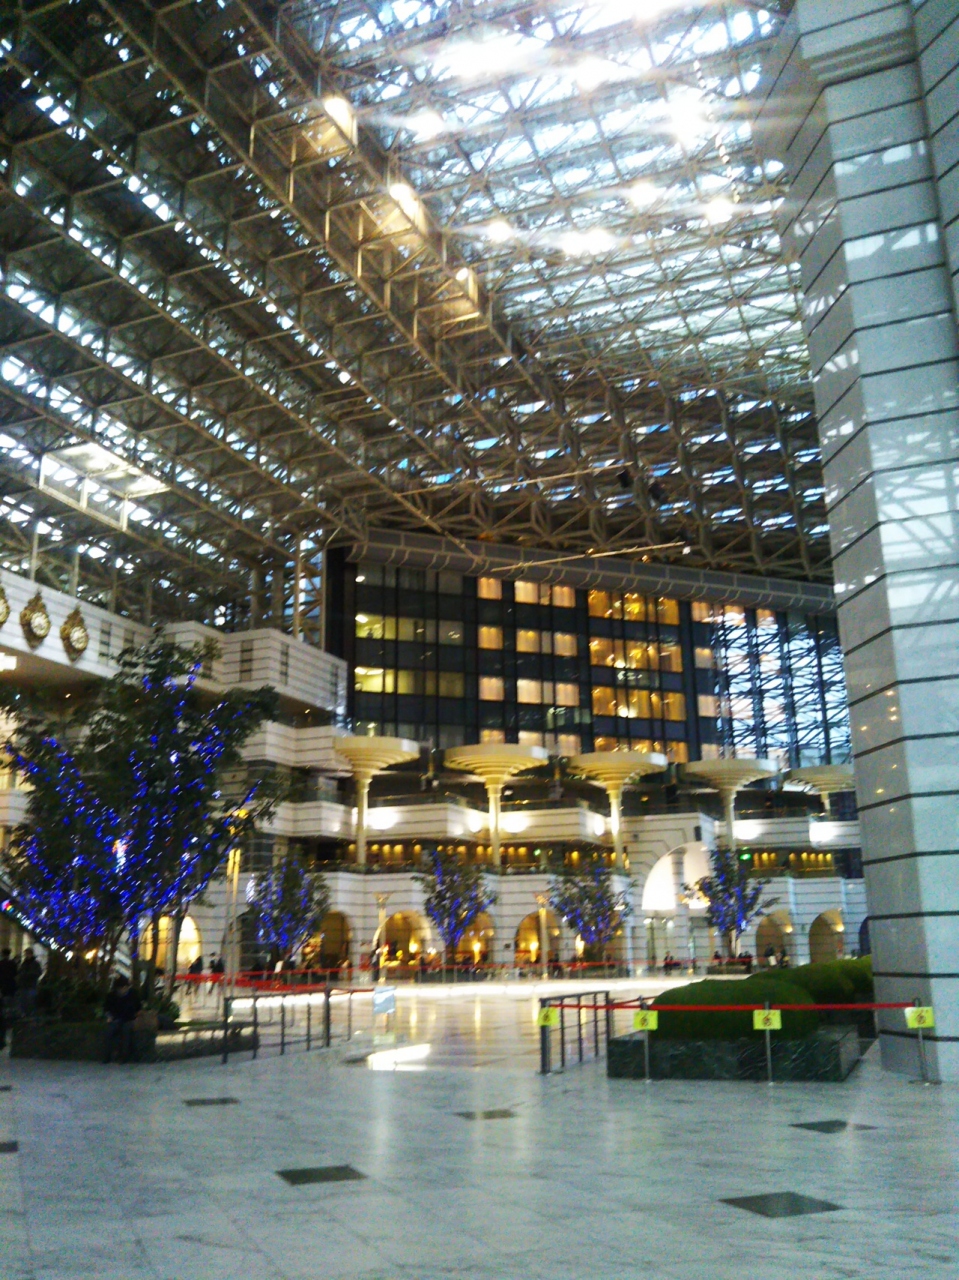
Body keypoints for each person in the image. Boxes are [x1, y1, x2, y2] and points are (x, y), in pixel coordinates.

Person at [103, 976, 142, 1063]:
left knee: (126, 1031)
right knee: (108, 1032)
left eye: (124, 988)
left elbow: (139, 1008)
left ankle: (124, 1056)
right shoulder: (111, 996)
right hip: (116, 1019)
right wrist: (109, 1017)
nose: (122, 990)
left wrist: (137, 1017)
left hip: (130, 1019)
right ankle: (107, 1056)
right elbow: (106, 1009)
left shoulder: (133, 995)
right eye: (120, 988)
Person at [16, 948, 42, 1018]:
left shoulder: (34, 963)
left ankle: (29, 1013)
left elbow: (38, 972)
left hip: (31, 984)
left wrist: (27, 974)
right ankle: (25, 1013)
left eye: (27, 954)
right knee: (24, 1000)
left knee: (30, 999)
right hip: (25, 984)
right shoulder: (25, 963)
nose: (26, 955)